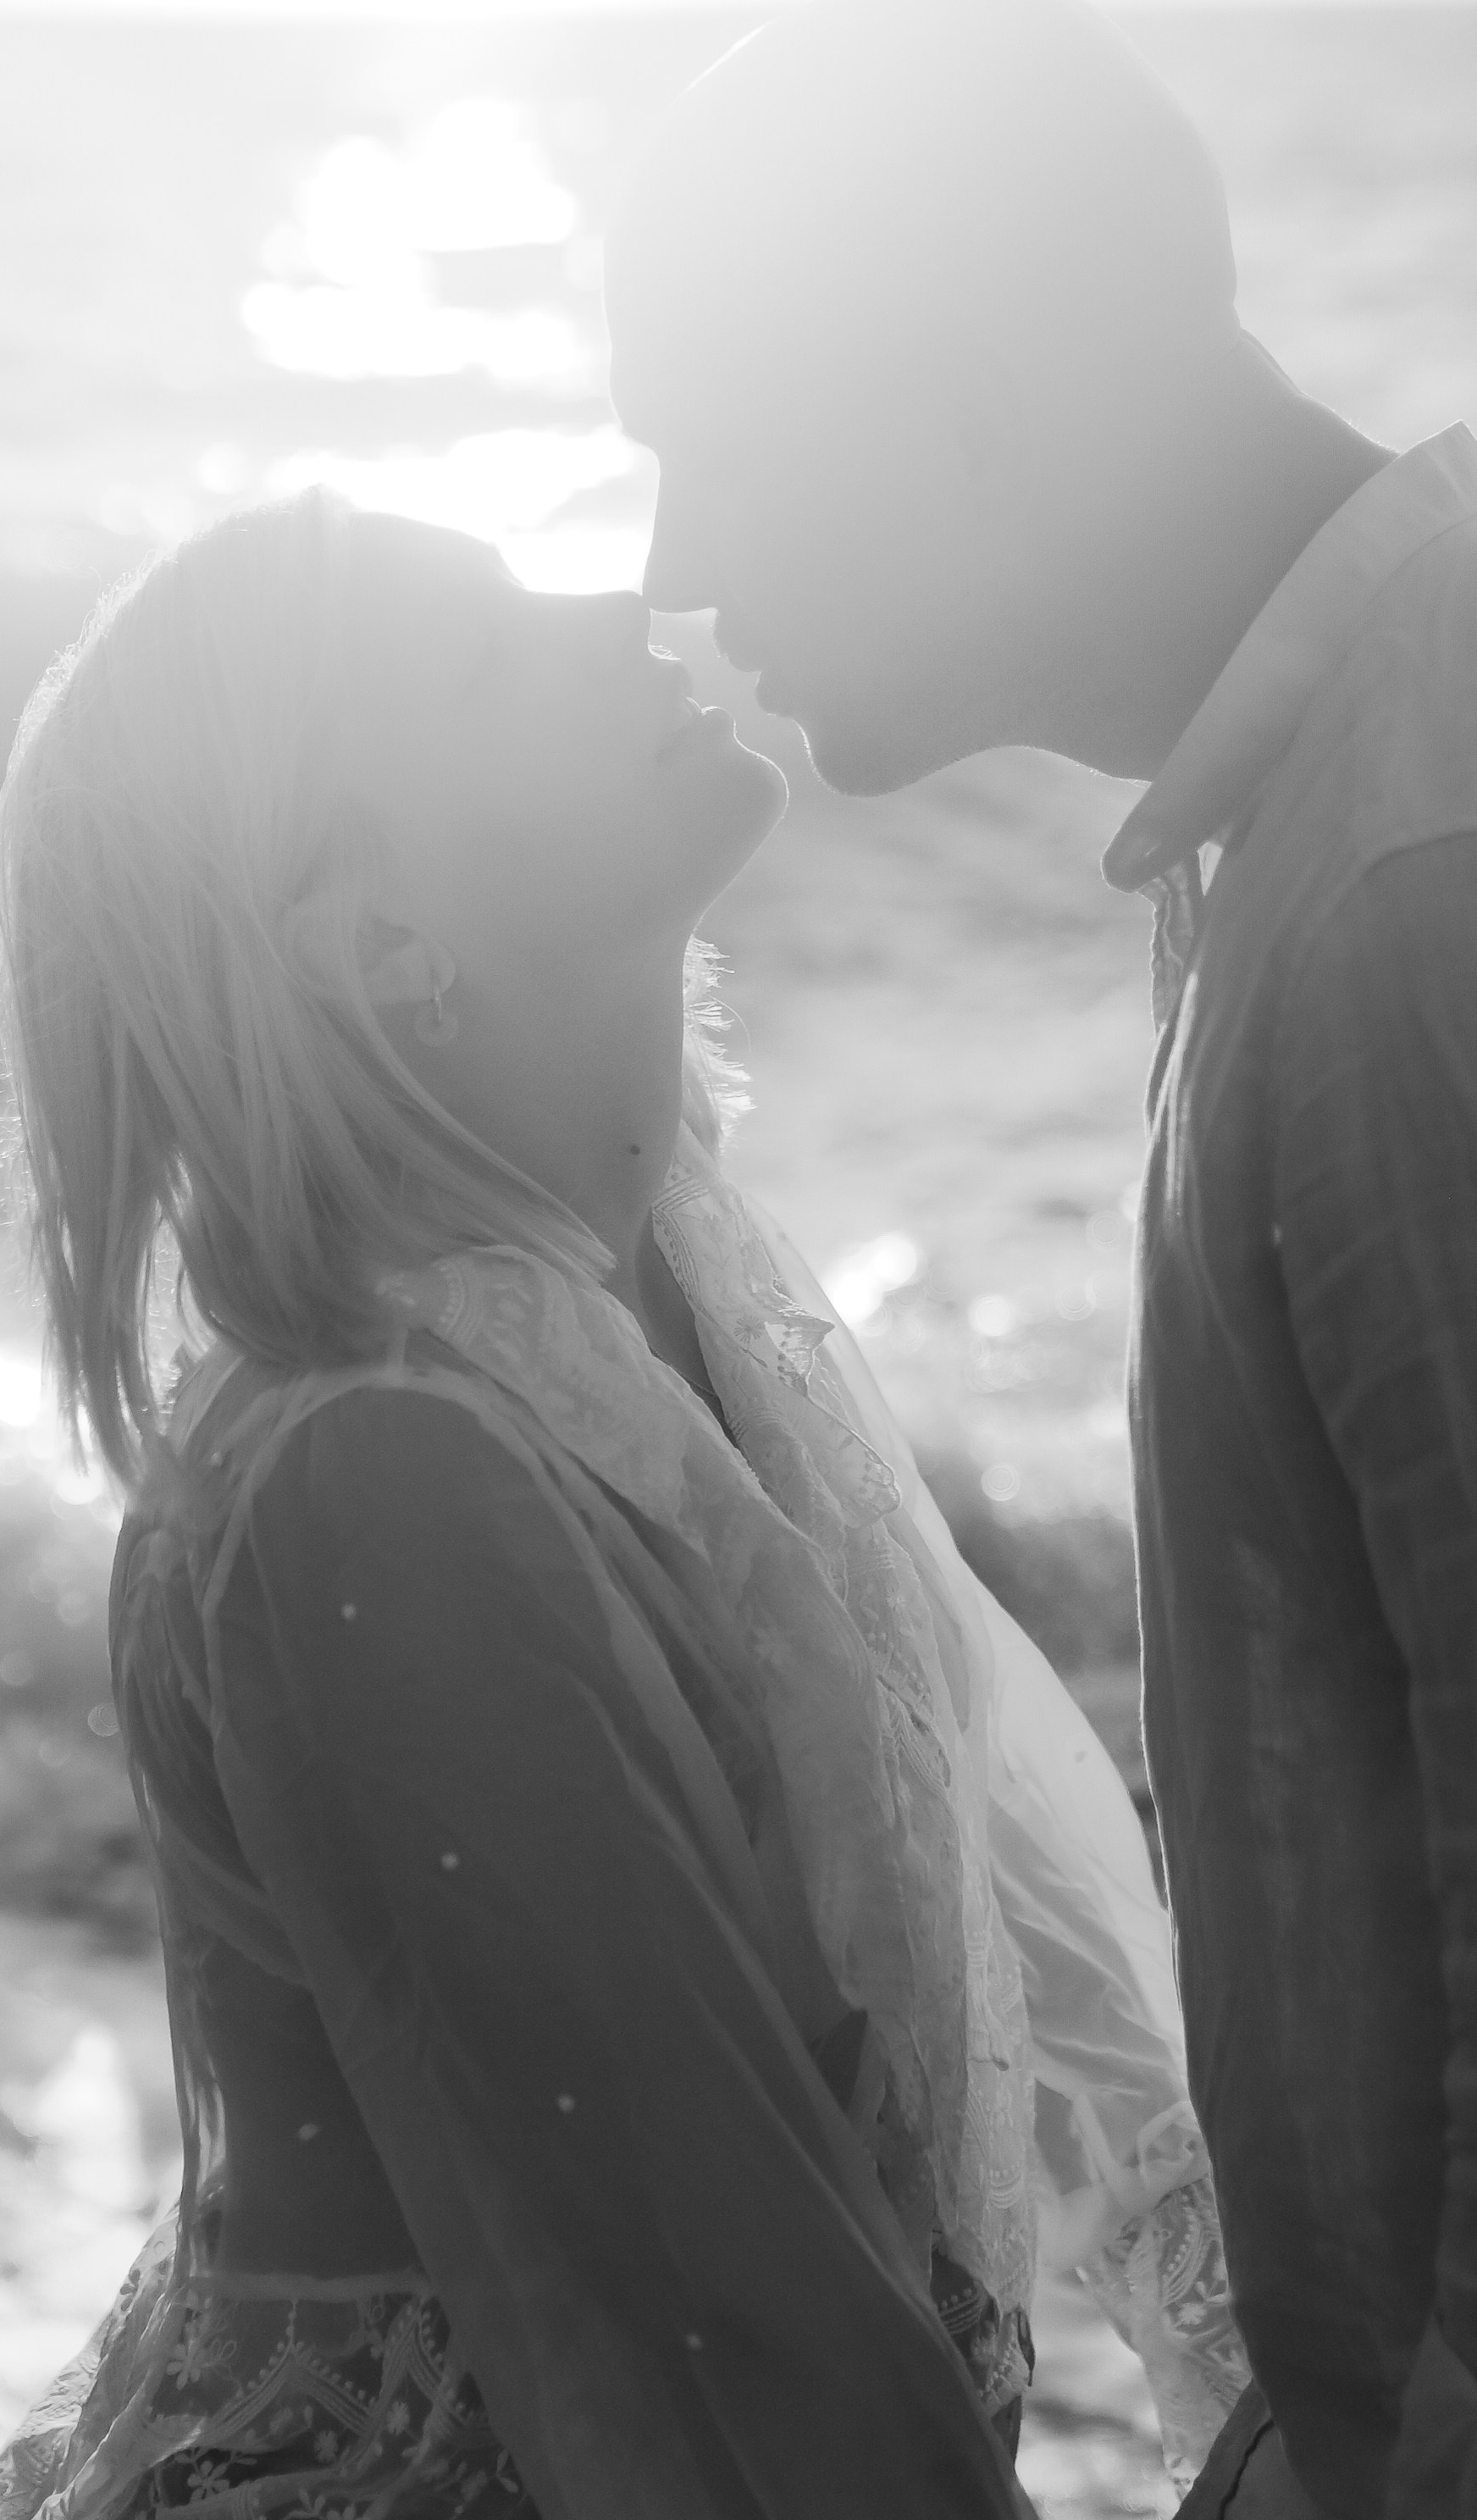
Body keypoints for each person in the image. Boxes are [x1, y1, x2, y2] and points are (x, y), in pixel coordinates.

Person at [0, 491, 1243, 2519]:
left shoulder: (645, 1310)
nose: (621, 601)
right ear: (374, 935)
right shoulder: (379, 1480)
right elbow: (723, 2329)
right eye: (488, 652)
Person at [603, 3, 1477, 2514]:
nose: (676, 572)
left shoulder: (1413, 894)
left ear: (967, 404)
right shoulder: (1305, 811)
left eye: (716, 447)